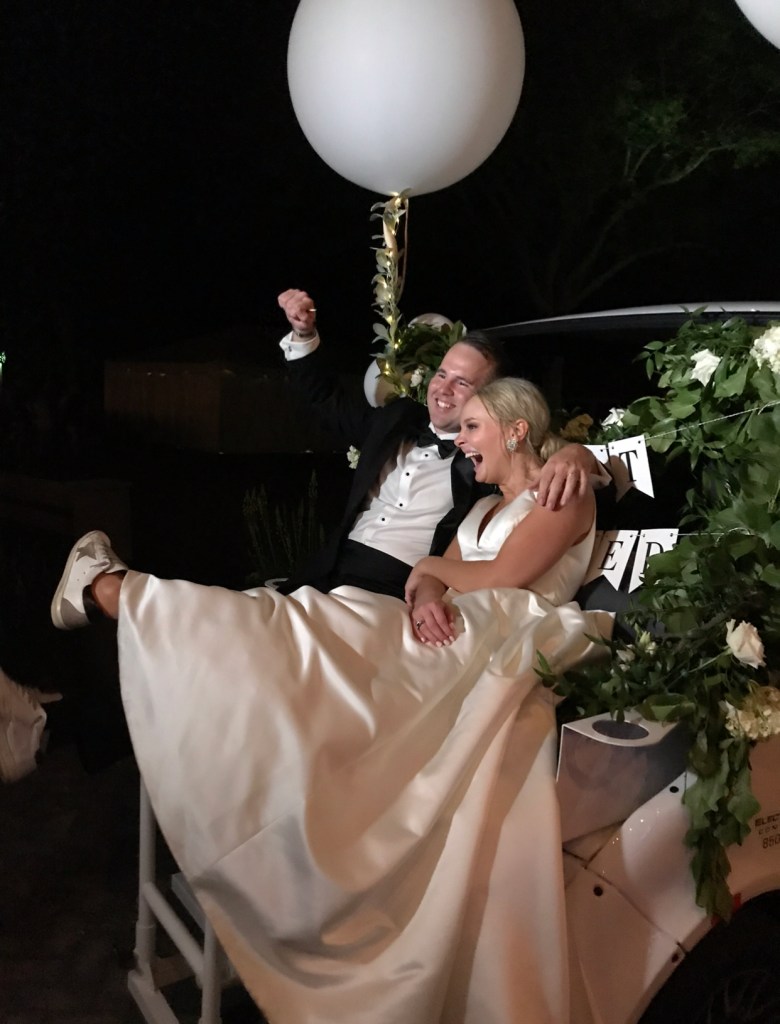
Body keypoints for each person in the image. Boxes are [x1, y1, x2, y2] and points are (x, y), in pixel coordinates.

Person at [50, 376, 612, 1024]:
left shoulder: (563, 494)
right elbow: (433, 577)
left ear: (516, 430)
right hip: (449, 619)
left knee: (319, 628)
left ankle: (123, 595)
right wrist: (427, 592)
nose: (461, 440)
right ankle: (141, 605)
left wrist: (431, 576)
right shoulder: (483, 509)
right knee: (308, 618)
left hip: (501, 630)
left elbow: (500, 577)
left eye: (473, 426)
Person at [275, 288, 601, 598]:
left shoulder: (487, 460)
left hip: (396, 588)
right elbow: (327, 402)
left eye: (462, 383)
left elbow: (535, 461)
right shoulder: (397, 418)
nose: (443, 389)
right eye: (442, 374)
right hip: (330, 569)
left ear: (489, 397)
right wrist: (304, 334)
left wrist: (578, 453)